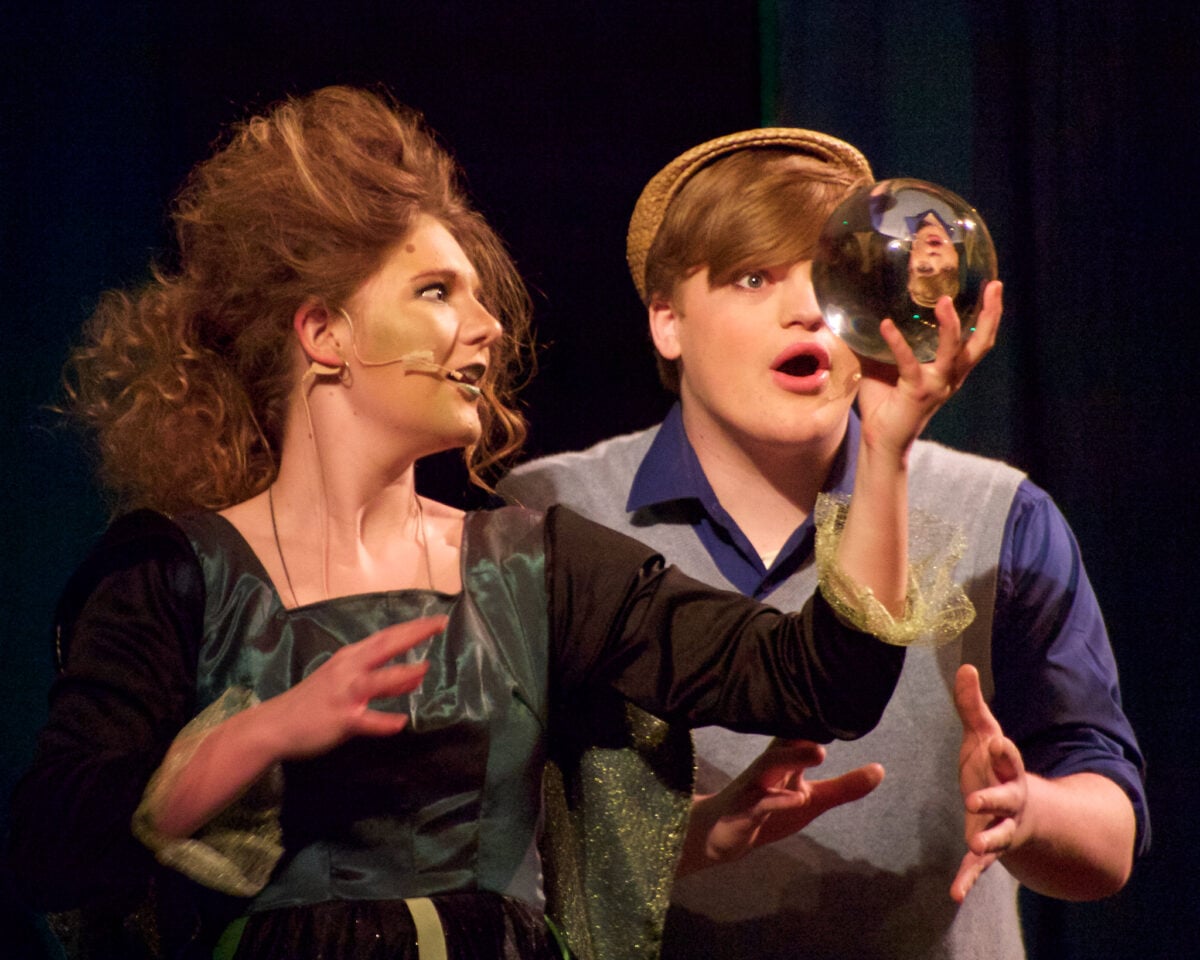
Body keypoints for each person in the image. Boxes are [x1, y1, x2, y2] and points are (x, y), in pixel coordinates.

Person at [4, 91, 982, 960]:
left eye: (479, 296)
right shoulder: (174, 578)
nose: (489, 327)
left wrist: (888, 449)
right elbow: (51, 847)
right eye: (437, 292)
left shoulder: (533, 566)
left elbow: (819, 681)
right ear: (323, 331)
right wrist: (261, 732)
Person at [499, 128, 1148, 959]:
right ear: (667, 321)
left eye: (829, 275)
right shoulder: (552, 514)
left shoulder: (1001, 515)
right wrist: (696, 834)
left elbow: (1110, 842)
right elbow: (492, 845)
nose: (806, 307)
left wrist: (1029, 810)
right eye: (753, 277)